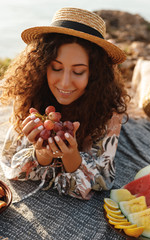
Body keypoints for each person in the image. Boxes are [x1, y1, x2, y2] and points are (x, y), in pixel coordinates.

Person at [0, 7, 129, 200]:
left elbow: (103, 179)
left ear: (95, 74)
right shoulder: (30, 93)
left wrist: (71, 157)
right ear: (42, 66)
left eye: (78, 72)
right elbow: (11, 162)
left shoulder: (108, 110)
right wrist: (41, 155)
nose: (65, 83)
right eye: (56, 68)